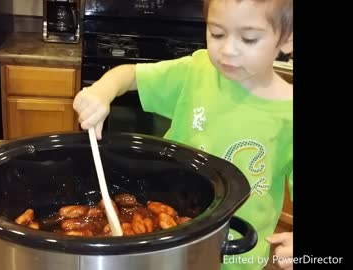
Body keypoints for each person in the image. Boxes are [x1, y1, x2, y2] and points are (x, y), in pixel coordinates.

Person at [73, 0, 293, 269]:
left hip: (239, 254)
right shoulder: (195, 72)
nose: (228, 50)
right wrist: (102, 91)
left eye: (248, 39)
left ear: (288, 39)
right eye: (217, 33)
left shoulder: (289, 113)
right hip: (169, 239)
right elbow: (128, 74)